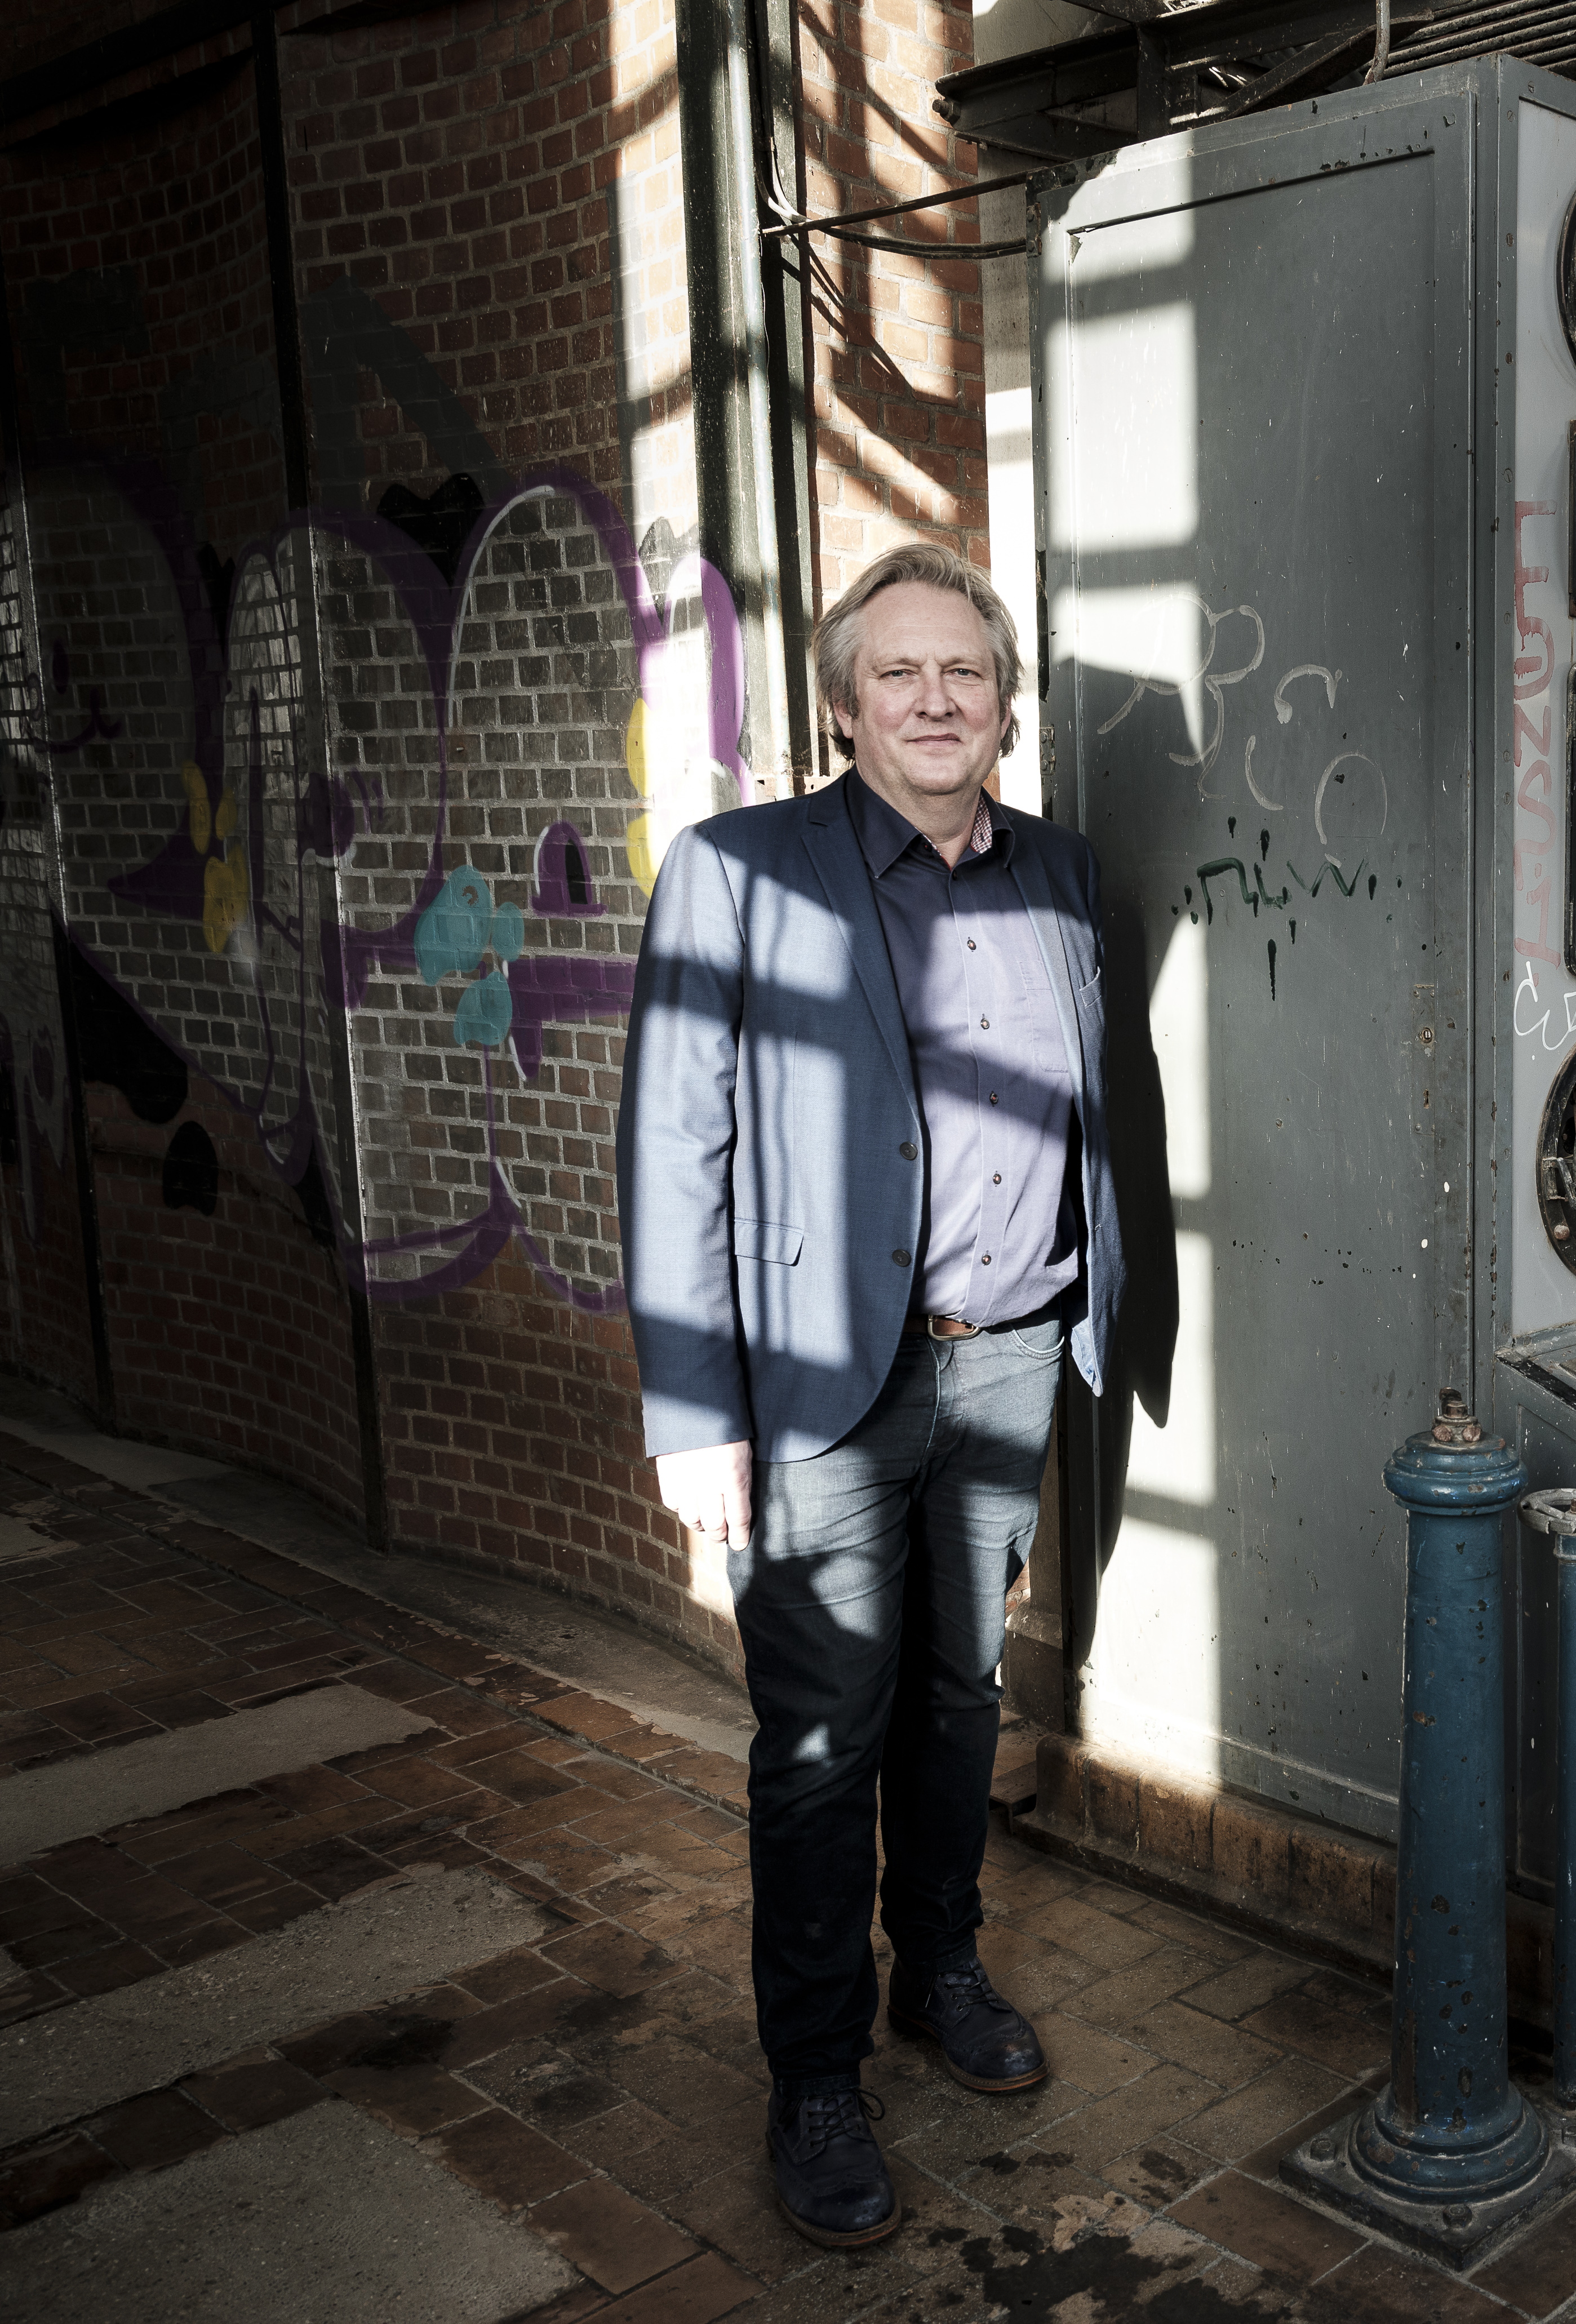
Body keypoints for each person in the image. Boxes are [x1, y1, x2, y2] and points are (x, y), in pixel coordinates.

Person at [618, 542, 1126, 2247]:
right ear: (846, 705)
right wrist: (696, 1412)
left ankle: (944, 1966)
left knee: (960, 1698)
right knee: (822, 1740)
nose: (934, 698)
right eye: (898, 673)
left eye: (963, 672)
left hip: (1005, 1354)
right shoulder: (736, 871)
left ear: (1004, 702)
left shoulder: (1061, 872)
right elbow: (676, 1140)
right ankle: (814, 2065)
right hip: (821, 1382)